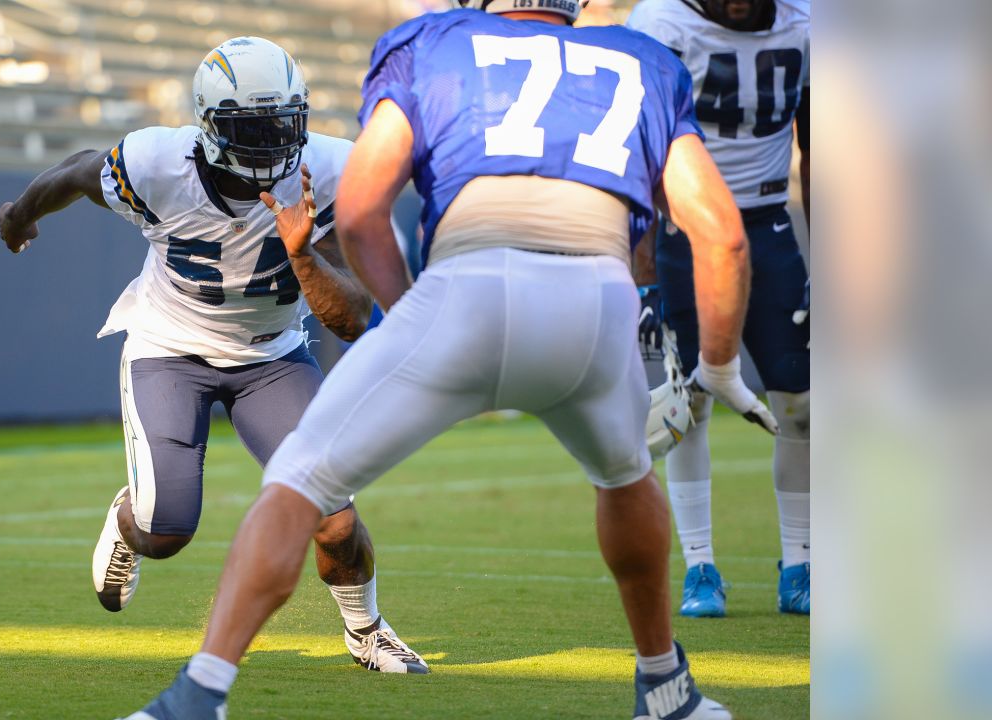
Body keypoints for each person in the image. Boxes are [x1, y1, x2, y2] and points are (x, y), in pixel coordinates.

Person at [126, 2, 779, 718]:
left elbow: (369, 210)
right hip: (596, 299)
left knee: (298, 484)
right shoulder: (643, 60)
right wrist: (715, 368)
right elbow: (721, 236)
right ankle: (665, 686)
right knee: (627, 478)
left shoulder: (432, 42)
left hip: (466, 284)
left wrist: (414, 326)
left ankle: (200, 695)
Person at [0, 36, 429, 675]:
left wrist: (304, 252)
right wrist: (20, 214)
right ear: (209, 124)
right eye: (250, 126)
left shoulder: (330, 170)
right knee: (166, 531)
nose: (270, 140)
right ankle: (128, 520)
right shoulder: (156, 163)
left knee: (333, 517)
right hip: (170, 348)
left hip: (273, 357)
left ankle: (365, 629)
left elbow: (353, 316)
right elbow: (78, 171)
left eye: (282, 122)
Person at [627, 0, 811, 618]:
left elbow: (821, 151)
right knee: (689, 401)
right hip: (685, 225)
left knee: (802, 401)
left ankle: (802, 561)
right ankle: (700, 565)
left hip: (767, 221)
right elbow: (638, 157)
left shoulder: (806, 24)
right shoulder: (662, 27)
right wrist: (646, 279)